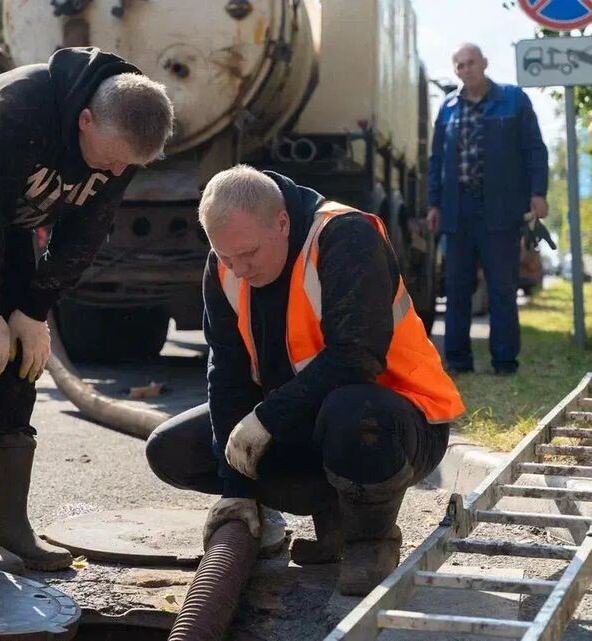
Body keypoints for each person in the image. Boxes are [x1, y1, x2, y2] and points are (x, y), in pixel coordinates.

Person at [0, 47, 174, 574]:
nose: (116, 171)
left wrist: (33, 311)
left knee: (23, 360)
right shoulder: (20, 109)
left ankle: (9, 524)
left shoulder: (125, 137)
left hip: (7, 217)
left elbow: (85, 231)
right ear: (85, 120)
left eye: (127, 166)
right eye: (113, 159)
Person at [145, 166, 464, 595]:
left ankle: (371, 538)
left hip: (395, 423)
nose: (238, 270)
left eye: (248, 254)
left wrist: (267, 419)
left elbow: (356, 358)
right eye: (226, 257)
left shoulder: (346, 236)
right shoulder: (225, 266)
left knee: (352, 415)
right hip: (308, 419)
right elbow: (227, 374)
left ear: (282, 222)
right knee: (171, 450)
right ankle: (325, 512)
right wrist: (236, 488)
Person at [427, 43, 549, 376]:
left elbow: (534, 149)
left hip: (501, 208)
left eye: (471, 63)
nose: (466, 69)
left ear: (484, 63)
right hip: (457, 210)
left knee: (502, 288)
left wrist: (538, 193)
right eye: (460, 65)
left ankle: (504, 362)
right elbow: (436, 160)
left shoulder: (513, 100)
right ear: (456, 70)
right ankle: (458, 360)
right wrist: (434, 203)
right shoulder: (448, 108)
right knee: (457, 288)